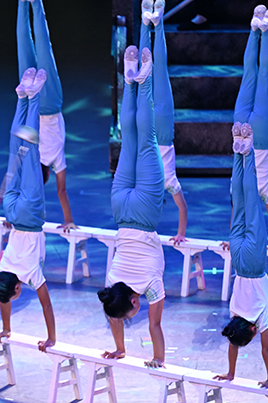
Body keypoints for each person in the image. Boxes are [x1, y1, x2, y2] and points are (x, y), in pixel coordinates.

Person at [98, 45, 169, 368]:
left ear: (133, 300)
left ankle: (145, 78)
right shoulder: (112, 283)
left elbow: (155, 326)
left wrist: (158, 358)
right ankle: (129, 81)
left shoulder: (150, 289)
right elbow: (113, 314)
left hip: (145, 212)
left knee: (146, 137)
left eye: (131, 312)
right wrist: (120, 348)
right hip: (120, 209)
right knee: (129, 140)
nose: (132, 314)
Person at [0, 68, 55, 350]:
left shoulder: (29, 275)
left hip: (30, 214)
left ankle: (33, 97)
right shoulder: (2, 268)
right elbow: (3, 298)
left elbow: (46, 306)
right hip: (12, 212)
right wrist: (5, 328)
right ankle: (22, 97)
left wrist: (51, 338)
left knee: (30, 150)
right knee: (16, 151)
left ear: (17, 289)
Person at [214, 123, 268, 387]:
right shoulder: (235, 314)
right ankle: (237, 151)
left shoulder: (259, 318)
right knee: (239, 202)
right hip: (238, 260)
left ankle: (247, 149)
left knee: (250, 201)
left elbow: (266, 349)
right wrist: (230, 373)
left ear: (252, 330)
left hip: (253, 261)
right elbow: (233, 343)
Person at [17, 0, 74, 230]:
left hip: (50, 103)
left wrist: (69, 220)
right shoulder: (28, 151)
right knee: (24, 44)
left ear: (47, 174)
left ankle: (36, 2)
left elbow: (62, 191)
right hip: (32, 101)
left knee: (43, 48)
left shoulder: (56, 161)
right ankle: (23, 4)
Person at [142, 0, 188, 243]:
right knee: (157, 71)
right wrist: (180, 234)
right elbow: (182, 208)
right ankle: (154, 23)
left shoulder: (147, 180)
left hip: (151, 131)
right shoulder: (170, 184)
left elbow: (182, 208)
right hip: (160, 130)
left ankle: (147, 23)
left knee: (149, 73)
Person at [235, 5, 268, 243]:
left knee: (263, 76)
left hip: (258, 137)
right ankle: (255, 29)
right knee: (250, 74)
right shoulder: (238, 189)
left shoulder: (262, 192)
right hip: (241, 131)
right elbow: (234, 218)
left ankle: (264, 30)